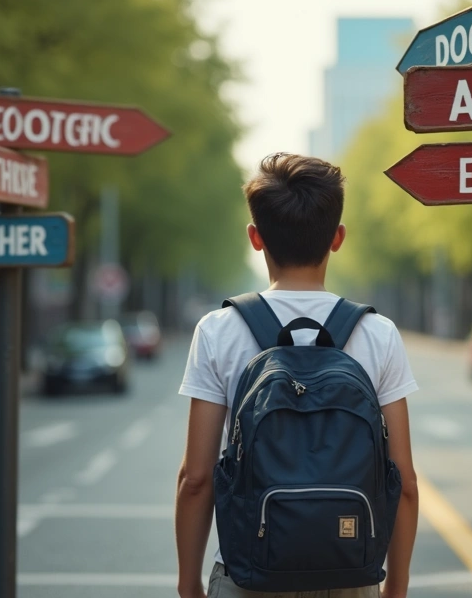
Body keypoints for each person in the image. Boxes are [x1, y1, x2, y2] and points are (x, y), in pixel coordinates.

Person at [175, 153, 420, 598]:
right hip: (350, 571)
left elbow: (196, 479)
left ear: (255, 237)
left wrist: (188, 582)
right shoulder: (377, 333)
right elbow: (402, 481)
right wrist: (395, 589)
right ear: (338, 238)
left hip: (249, 571)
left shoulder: (218, 331)